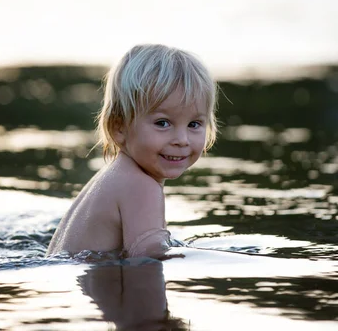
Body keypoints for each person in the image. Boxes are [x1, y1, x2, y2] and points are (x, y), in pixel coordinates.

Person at [46, 44, 217, 259]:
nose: (181, 140)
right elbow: (147, 263)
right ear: (119, 127)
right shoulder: (141, 187)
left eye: (194, 124)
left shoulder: (115, 177)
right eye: (163, 123)